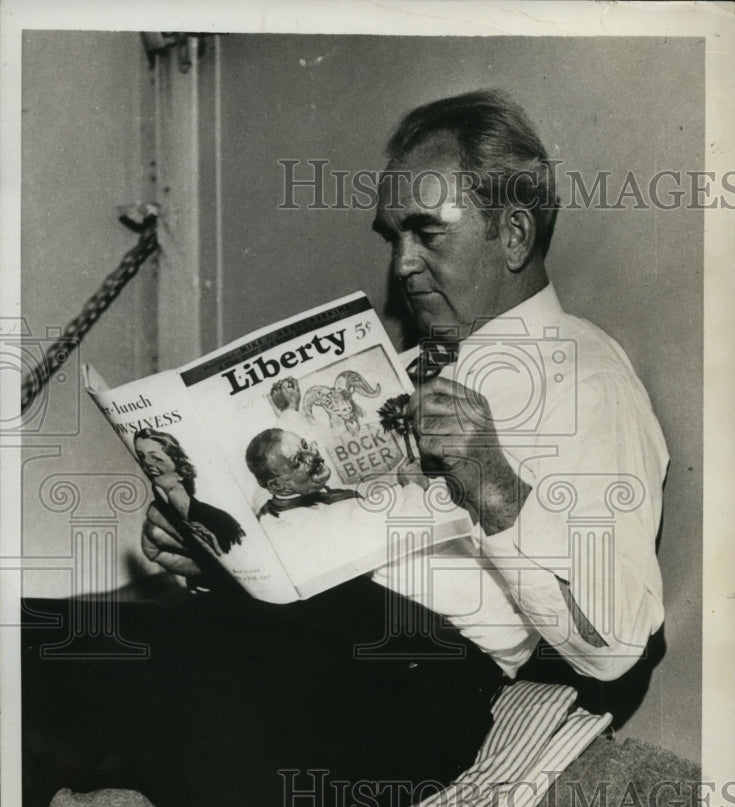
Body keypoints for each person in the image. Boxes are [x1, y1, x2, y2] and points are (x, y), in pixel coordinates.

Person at [143, 89, 668, 686]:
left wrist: (492, 486)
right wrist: (215, 556)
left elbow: (617, 646)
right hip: (311, 634)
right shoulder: (409, 365)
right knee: (46, 639)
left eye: (427, 233)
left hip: (414, 665)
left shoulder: (585, 380)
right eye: (393, 238)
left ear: (515, 234)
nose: (401, 267)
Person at [134, 428, 245, 559]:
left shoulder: (220, 519)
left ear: (180, 471)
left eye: (156, 458)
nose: (146, 463)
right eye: (142, 457)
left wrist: (216, 550)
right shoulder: (161, 512)